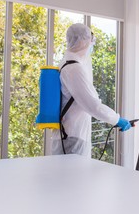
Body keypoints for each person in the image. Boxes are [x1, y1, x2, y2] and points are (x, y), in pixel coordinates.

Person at [51, 23, 131, 157]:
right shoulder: (74, 69)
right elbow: (93, 106)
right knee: (74, 178)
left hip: (69, 135)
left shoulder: (66, 63)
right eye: (91, 40)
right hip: (72, 137)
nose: (91, 45)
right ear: (82, 41)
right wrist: (117, 120)